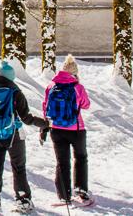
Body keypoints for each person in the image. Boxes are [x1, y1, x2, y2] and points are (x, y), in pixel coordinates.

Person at [0, 61, 49, 213]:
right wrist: (44, 124)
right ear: (11, 77)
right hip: (14, 136)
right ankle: (23, 200)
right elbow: (26, 118)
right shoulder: (16, 92)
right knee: (18, 167)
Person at [43, 55, 93, 207]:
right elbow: (86, 105)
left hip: (56, 129)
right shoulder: (77, 87)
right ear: (75, 72)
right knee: (80, 158)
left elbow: (45, 107)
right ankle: (81, 191)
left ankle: (64, 196)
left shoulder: (51, 85)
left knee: (62, 162)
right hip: (76, 128)